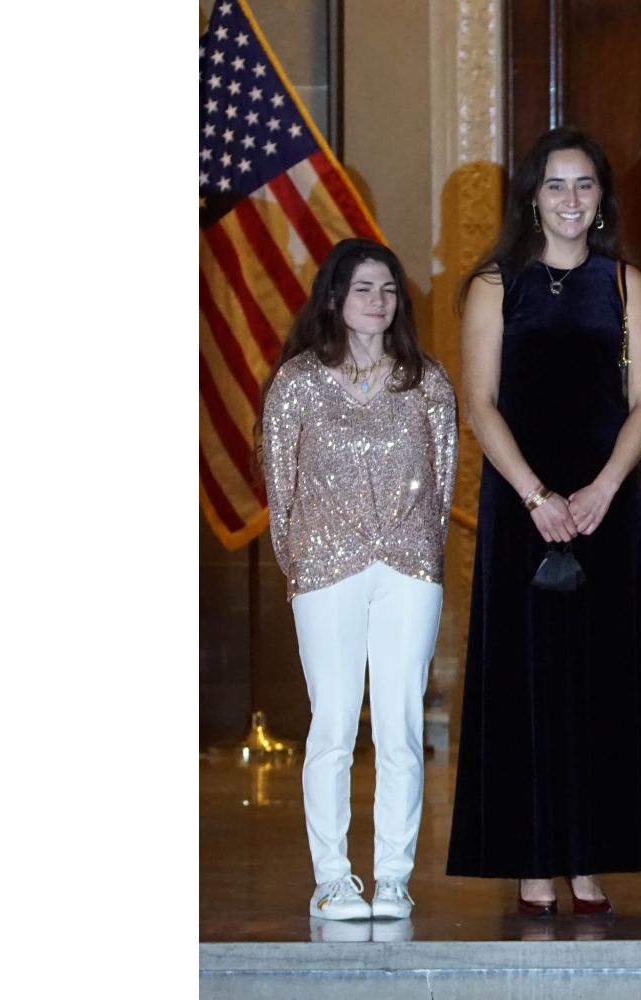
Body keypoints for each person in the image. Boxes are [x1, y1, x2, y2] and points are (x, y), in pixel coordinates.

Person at [445, 127, 641, 915]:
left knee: (599, 683)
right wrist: (537, 495)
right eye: (555, 184)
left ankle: (588, 858)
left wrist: (604, 486)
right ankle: (534, 860)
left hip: (607, 502)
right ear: (532, 198)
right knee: (528, 682)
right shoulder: (495, 283)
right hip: (522, 504)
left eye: (584, 184)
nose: (570, 199)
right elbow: (479, 403)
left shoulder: (624, 284)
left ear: (600, 196)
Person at [259, 238, 458, 922]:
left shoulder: (427, 382)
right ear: (334, 299)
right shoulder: (297, 383)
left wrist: (418, 552)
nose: (378, 301)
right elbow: (280, 486)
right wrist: (304, 562)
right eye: (364, 288)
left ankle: (394, 878)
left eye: (389, 289)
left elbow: (443, 483)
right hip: (324, 568)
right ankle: (332, 881)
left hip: (409, 566)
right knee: (335, 723)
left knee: (400, 724)